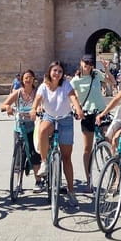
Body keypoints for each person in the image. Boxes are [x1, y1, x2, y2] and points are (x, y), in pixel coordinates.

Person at [31, 61, 84, 207]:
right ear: (50, 71)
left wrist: (78, 109)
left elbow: (73, 98)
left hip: (65, 119)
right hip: (49, 117)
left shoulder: (66, 85)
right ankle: (44, 162)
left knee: (67, 158)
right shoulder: (43, 86)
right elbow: (37, 100)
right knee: (42, 130)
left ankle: (71, 191)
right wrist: (33, 109)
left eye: (60, 71)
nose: (57, 74)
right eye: (55, 70)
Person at [71, 54, 115, 190]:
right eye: (86, 62)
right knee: (87, 149)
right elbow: (70, 96)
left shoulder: (96, 74)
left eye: (90, 63)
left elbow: (111, 81)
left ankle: (117, 177)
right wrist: (75, 108)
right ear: (81, 63)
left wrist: (107, 69)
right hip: (86, 115)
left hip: (101, 113)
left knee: (110, 144)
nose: (88, 65)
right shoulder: (75, 80)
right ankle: (89, 180)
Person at [1, 69, 43, 191]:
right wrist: (8, 107)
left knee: (35, 154)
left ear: (33, 79)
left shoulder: (37, 93)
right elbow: (3, 105)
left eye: (30, 77)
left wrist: (38, 109)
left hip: (33, 128)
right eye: (26, 78)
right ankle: (18, 183)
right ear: (22, 80)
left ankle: (38, 181)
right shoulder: (18, 92)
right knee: (19, 156)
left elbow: (41, 105)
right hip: (19, 127)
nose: (28, 79)